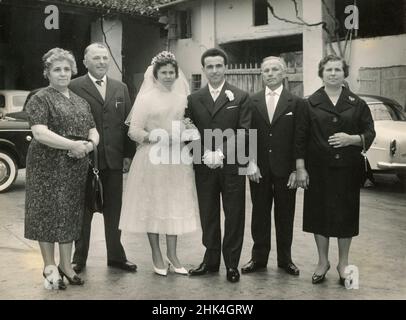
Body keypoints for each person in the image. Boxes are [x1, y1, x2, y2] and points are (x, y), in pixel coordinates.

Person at [295, 54, 375, 285]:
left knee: (345, 216)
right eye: (328, 70)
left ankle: (343, 263)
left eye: (337, 70)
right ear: (321, 74)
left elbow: (370, 133)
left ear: (344, 73)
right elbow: (300, 138)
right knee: (318, 216)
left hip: (347, 170)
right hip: (318, 170)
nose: (332, 73)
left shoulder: (357, 103)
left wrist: (353, 139)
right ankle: (322, 262)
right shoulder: (309, 103)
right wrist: (300, 168)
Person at [24, 48, 99, 289]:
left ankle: (67, 266)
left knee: (69, 215)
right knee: (46, 214)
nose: (63, 73)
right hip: (46, 166)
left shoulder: (80, 101)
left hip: (74, 166)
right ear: (47, 73)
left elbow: (93, 131)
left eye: (67, 69)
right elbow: (39, 132)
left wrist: (87, 146)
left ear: (73, 71)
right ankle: (50, 267)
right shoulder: (40, 98)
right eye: (57, 69)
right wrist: (73, 144)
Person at [119, 51, 199, 276]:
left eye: (171, 72)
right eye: (163, 72)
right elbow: (134, 131)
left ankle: (173, 255)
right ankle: (156, 254)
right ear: (155, 74)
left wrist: (186, 131)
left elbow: (188, 123)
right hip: (152, 157)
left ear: (176, 74)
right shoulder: (146, 99)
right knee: (152, 205)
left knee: (173, 204)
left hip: (175, 157)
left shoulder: (183, 97)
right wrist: (155, 136)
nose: (168, 76)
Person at [69, 43, 137, 273]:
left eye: (105, 58)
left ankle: (116, 257)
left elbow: (128, 123)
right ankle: (79, 258)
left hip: (114, 159)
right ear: (85, 62)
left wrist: (128, 154)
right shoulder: (74, 86)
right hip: (83, 160)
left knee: (114, 211)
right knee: (83, 212)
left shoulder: (121, 87)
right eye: (96, 58)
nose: (101, 62)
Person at [187, 48, 252, 283]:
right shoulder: (193, 99)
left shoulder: (241, 96)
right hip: (204, 166)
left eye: (218, 66)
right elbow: (188, 130)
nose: (214, 70)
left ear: (225, 67)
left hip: (232, 165)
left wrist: (221, 153)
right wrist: (204, 154)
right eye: (209, 67)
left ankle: (232, 264)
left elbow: (244, 132)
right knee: (208, 213)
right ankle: (210, 261)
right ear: (203, 70)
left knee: (234, 214)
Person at [241, 56, 301, 276]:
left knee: (285, 215)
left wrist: (296, 168)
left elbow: (299, 138)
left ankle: (286, 260)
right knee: (259, 215)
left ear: (283, 73)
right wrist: (249, 162)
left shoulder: (295, 102)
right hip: (259, 169)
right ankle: (258, 259)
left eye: (275, 69)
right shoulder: (251, 100)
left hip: (286, 172)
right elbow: (246, 133)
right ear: (262, 74)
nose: (270, 73)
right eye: (266, 70)